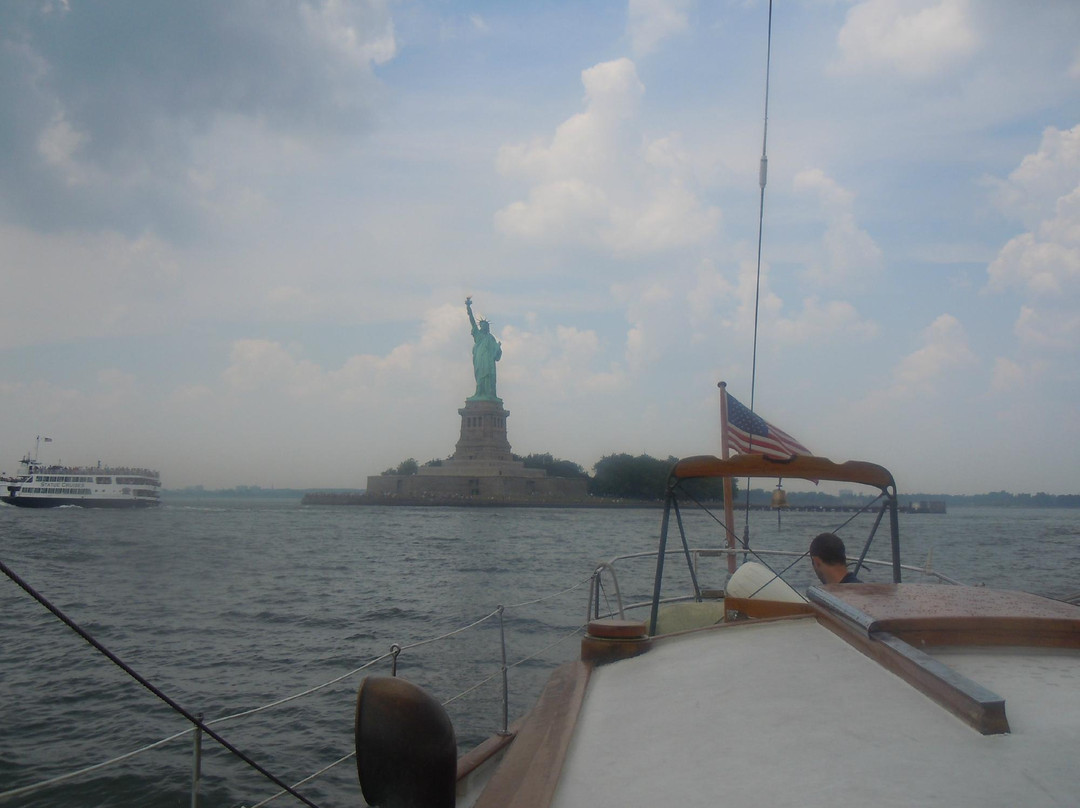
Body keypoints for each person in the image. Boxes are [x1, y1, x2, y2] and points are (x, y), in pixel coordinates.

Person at [466, 297, 502, 401]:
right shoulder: (478, 335)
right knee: (480, 376)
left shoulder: (491, 338)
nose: (483, 327)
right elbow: (472, 321)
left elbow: (496, 352)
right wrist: (468, 307)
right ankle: (479, 393)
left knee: (490, 376)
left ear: (488, 327)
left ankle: (490, 394)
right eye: (482, 326)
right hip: (480, 358)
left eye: (485, 326)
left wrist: (498, 348)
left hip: (489, 361)